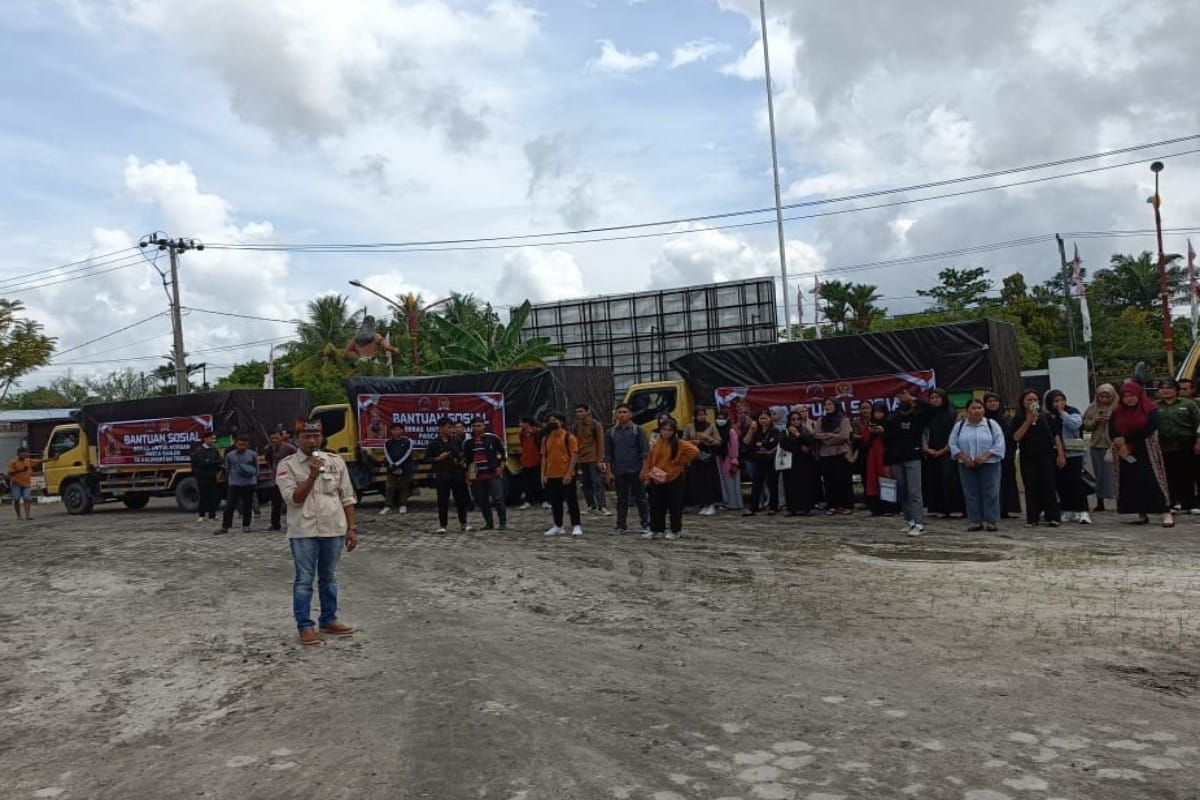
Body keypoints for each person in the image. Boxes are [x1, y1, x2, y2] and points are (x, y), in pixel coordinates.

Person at [274, 420, 358, 646]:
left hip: (334, 528)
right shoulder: (287, 465)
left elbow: (347, 496)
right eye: (306, 436)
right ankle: (305, 626)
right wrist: (311, 475)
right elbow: (294, 499)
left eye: (316, 436)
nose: (312, 440)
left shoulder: (335, 461)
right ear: (297, 438)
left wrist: (352, 528)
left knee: (329, 578)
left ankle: (329, 619)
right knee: (304, 580)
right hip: (304, 531)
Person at [1110, 381, 1173, 527]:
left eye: (1132, 395)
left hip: (1145, 449)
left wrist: (1126, 440)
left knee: (1153, 480)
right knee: (1132, 482)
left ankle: (1166, 512)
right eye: (1125, 396)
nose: (1129, 399)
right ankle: (1142, 513)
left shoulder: (1150, 409)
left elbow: (1148, 429)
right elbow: (1112, 429)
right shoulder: (1117, 411)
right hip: (1124, 451)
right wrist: (1120, 443)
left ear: (1139, 395)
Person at [882, 388, 934, 535]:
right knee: (903, 492)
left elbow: (933, 410)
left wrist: (914, 399)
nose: (904, 402)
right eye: (901, 399)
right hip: (896, 460)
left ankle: (919, 524)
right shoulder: (892, 419)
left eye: (907, 400)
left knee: (915, 492)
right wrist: (886, 464)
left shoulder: (919, 416)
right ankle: (909, 521)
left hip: (913, 459)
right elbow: (886, 443)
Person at [948, 398, 1006, 532]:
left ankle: (991, 521)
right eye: (973, 408)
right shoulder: (960, 426)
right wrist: (963, 457)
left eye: (979, 408)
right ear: (967, 410)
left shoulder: (992, 424)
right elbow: (952, 443)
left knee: (991, 492)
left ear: (984, 410)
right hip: (966, 464)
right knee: (971, 492)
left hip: (990, 463)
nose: (977, 411)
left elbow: (999, 443)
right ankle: (975, 521)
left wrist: (986, 456)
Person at [1012, 388, 1065, 528]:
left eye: (1035, 399)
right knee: (1031, 486)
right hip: (1028, 456)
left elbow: (1056, 436)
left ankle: (1052, 517)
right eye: (1029, 400)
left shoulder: (1046, 417)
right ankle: (1032, 518)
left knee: (1048, 485)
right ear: (1023, 402)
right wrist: (1028, 421)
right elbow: (1016, 437)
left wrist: (1060, 454)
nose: (1032, 402)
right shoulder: (1018, 418)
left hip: (1046, 455)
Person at [640, 418, 699, 540]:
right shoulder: (656, 444)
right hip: (657, 477)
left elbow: (694, 451)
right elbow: (650, 461)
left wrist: (680, 462)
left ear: (673, 431)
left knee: (674, 506)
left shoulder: (679, 443)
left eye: (669, 430)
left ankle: (675, 530)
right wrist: (647, 476)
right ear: (660, 430)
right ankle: (656, 529)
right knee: (656, 506)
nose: (666, 432)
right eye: (664, 430)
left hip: (674, 478)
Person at [1151, 378, 1200, 513]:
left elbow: (1198, 423)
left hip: (1186, 444)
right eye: (1162, 388)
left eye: (1169, 387)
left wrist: (1198, 441)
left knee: (1187, 475)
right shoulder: (1154, 406)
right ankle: (1171, 504)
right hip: (1164, 446)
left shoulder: (1189, 404)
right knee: (1168, 476)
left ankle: (1190, 504)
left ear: (1176, 390)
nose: (1165, 390)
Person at [605, 403, 651, 535]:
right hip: (619, 470)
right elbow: (608, 455)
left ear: (630, 414)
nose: (622, 415)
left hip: (636, 469)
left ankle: (646, 523)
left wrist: (644, 470)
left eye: (625, 412)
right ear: (616, 414)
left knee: (641, 499)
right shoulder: (611, 433)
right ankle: (621, 525)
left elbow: (645, 452)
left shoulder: (638, 431)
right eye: (619, 412)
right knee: (621, 500)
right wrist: (608, 472)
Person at [1045, 390, 1090, 524]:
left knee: (1076, 482)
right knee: (1061, 483)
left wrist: (1062, 413)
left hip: (1073, 452)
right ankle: (1067, 509)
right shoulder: (1048, 415)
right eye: (1056, 401)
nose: (1059, 403)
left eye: (1061, 400)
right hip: (1056, 453)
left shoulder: (1072, 411)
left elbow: (1075, 425)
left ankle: (1083, 511)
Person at [425, 417, 473, 534]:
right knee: (442, 501)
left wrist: (461, 461)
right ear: (441, 428)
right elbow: (427, 459)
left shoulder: (456, 440)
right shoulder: (434, 443)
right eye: (448, 427)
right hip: (442, 475)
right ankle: (443, 525)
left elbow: (462, 454)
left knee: (460, 500)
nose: (451, 429)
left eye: (451, 427)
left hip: (457, 474)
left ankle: (464, 524)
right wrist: (438, 458)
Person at [922, 388, 964, 518]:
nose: (935, 400)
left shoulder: (953, 414)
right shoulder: (927, 414)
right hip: (931, 452)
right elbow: (922, 432)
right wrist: (926, 448)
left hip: (949, 452)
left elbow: (956, 434)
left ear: (944, 398)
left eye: (937, 397)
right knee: (934, 478)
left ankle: (953, 507)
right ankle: (938, 508)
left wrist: (944, 449)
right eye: (932, 398)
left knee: (949, 478)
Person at [541, 411, 583, 537]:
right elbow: (544, 457)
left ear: (561, 422)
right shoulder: (546, 438)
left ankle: (576, 525)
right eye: (550, 420)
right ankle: (558, 525)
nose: (553, 423)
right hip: (551, 475)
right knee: (555, 502)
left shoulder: (569, 437)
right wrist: (543, 474)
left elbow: (574, 456)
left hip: (565, 474)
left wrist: (569, 473)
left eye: (555, 420)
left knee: (571, 501)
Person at [463, 418, 508, 531]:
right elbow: (467, 461)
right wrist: (468, 476)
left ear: (484, 426)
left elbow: (503, 452)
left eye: (479, 425)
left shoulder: (493, 438)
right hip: (477, 477)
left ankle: (503, 523)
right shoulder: (468, 443)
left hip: (492, 474)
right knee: (482, 501)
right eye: (474, 426)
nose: (477, 428)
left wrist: (501, 467)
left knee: (498, 499)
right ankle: (489, 523)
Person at [984, 393, 1022, 518]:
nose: (993, 403)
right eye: (989, 401)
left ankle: (1007, 507)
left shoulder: (1006, 418)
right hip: (987, 455)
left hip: (1006, 455)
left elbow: (1011, 437)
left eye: (995, 401)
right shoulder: (983, 420)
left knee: (1007, 480)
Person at [814, 398, 854, 515]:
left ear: (836, 405)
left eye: (830, 404)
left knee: (843, 480)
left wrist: (826, 439)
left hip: (840, 453)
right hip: (825, 454)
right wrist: (829, 435)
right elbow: (816, 434)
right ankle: (832, 505)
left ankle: (847, 505)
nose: (827, 406)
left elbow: (843, 436)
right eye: (825, 404)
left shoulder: (844, 419)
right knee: (829, 480)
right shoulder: (821, 420)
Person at [683, 407, 724, 516]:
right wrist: (693, 442)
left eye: (703, 414)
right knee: (698, 482)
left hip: (708, 456)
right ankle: (703, 504)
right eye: (699, 414)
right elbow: (683, 441)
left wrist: (707, 438)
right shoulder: (689, 426)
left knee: (709, 481)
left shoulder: (711, 426)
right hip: (695, 457)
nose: (702, 417)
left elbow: (719, 442)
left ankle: (711, 504)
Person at [1083, 384, 1117, 513]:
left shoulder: (1117, 408)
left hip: (1112, 444)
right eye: (1101, 396)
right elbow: (1085, 424)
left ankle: (1118, 500)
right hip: (1096, 445)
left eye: (1107, 396)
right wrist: (1095, 421)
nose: (1104, 398)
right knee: (1099, 475)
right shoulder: (1093, 407)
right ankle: (1100, 501)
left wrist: (1111, 421)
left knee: (1114, 475)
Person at [572, 404, 610, 516]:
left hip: (593, 458)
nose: (578, 414)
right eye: (577, 412)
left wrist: (600, 460)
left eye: (581, 411)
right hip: (581, 459)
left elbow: (600, 443)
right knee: (586, 484)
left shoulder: (595, 425)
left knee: (597, 483)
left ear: (587, 412)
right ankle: (591, 505)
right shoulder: (576, 425)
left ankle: (602, 506)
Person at [216, 435, 258, 535]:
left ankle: (246, 525)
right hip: (234, 483)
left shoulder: (252, 454)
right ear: (235, 444)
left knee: (247, 505)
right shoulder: (230, 455)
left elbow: (256, 468)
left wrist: (254, 478)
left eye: (244, 444)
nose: (242, 447)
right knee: (229, 505)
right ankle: (225, 526)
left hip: (248, 483)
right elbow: (227, 468)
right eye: (240, 444)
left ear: (247, 445)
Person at [859, 402, 894, 516]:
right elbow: (864, 440)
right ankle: (875, 508)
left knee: (886, 479)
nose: (878, 415)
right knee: (872, 480)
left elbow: (894, 438)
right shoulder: (870, 424)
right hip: (872, 456)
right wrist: (871, 432)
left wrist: (883, 432)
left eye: (880, 412)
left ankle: (889, 508)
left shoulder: (889, 422)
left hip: (885, 455)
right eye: (876, 412)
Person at [742, 411, 780, 516]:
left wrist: (762, 445)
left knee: (772, 484)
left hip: (771, 460)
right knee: (756, 484)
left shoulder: (774, 431)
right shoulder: (756, 431)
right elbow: (746, 442)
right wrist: (751, 430)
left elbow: (773, 443)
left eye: (765, 418)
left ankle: (773, 507)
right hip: (758, 460)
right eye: (761, 418)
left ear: (770, 419)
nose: (763, 421)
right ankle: (753, 507)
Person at [779, 409, 816, 515]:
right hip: (790, 461)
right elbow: (784, 444)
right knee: (791, 485)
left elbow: (810, 441)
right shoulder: (784, 431)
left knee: (805, 484)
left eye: (798, 419)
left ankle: (806, 508)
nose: (796, 422)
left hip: (804, 462)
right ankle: (792, 508)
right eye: (793, 419)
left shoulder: (804, 430)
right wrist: (800, 447)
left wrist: (797, 434)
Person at [265, 429, 297, 531]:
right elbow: (269, 461)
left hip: (288, 478)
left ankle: (294, 523)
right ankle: (275, 524)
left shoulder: (290, 448)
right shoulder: (269, 448)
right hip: (276, 478)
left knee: (291, 502)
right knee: (275, 503)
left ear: (281, 437)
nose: (274, 440)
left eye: (276, 438)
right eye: (272, 439)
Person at [381, 422, 414, 515]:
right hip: (391, 468)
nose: (396, 431)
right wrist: (392, 464)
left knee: (404, 487)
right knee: (389, 487)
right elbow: (387, 454)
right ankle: (388, 506)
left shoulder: (409, 441)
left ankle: (403, 505)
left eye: (398, 429)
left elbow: (407, 454)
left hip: (405, 467)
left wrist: (398, 464)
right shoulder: (387, 443)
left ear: (403, 430)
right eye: (394, 430)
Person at [190, 432, 223, 523]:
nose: (213, 441)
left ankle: (212, 515)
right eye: (211, 438)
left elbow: (219, 461)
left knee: (213, 495)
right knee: (204, 496)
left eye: (213, 439)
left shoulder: (214, 450)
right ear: (205, 439)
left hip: (212, 475)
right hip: (202, 476)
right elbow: (199, 463)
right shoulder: (199, 450)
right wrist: (209, 462)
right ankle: (201, 515)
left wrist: (210, 462)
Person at [715, 408, 743, 511]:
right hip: (721, 459)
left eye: (722, 418)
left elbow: (735, 446)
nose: (720, 420)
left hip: (730, 460)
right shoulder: (717, 431)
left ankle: (734, 504)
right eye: (718, 418)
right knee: (725, 483)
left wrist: (734, 460)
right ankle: (727, 502)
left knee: (732, 483)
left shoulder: (731, 431)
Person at [516, 417, 543, 509]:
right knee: (527, 483)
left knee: (539, 482)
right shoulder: (522, 434)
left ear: (527, 423)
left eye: (521, 423)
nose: (520, 425)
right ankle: (528, 501)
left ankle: (543, 500)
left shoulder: (538, 432)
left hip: (537, 460)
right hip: (526, 461)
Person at [7, 447, 38, 521]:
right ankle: (19, 515)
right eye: (22, 454)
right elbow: (10, 473)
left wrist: (52, 459)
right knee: (17, 499)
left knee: (27, 498)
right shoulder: (13, 462)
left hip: (26, 483)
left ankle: (27, 515)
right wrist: (21, 470)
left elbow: (40, 461)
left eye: (25, 453)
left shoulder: (28, 461)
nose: (24, 455)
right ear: (18, 454)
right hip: (16, 483)